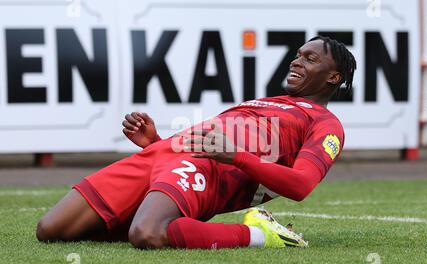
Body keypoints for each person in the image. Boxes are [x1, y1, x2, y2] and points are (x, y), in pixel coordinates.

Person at [36, 36, 356, 249]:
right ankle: (158, 211)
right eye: (298, 55)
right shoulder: (269, 100)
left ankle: (262, 236)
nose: (296, 62)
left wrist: (236, 156)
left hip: (208, 168)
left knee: (148, 233)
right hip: (163, 154)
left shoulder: (326, 125)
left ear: (333, 77)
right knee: (51, 230)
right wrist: (153, 143)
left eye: (310, 59)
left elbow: (300, 185)